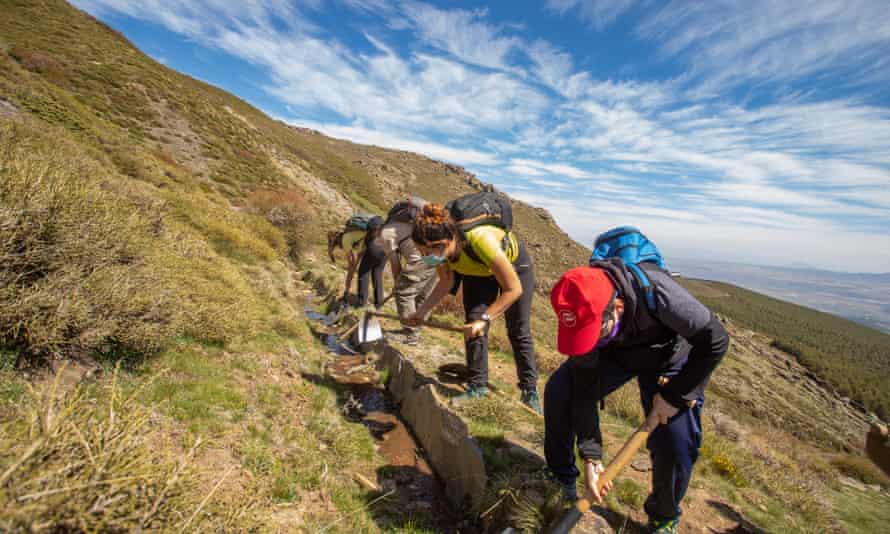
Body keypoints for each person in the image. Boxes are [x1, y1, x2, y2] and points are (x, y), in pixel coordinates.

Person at [544, 260, 729, 534]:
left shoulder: (662, 295)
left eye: (594, 333)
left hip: (671, 356)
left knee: (675, 440)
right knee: (561, 392)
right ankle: (562, 477)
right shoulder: (584, 321)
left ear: (617, 308)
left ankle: (664, 516)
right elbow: (583, 393)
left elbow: (716, 340)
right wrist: (591, 457)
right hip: (618, 352)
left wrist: (676, 396)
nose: (587, 342)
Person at [405, 203, 540, 412]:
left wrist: (486, 319)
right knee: (472, 323)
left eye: (429, 251)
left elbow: (513, 290)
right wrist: (422, 312)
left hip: (514, 269)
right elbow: (445, 283)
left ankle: (530, 391)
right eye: (422, 252)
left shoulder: (480, 240)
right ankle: (477, 387)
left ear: (446, 241)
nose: (427, 256)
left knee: (517, 329)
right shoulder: (441, 252)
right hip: (478, 272)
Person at [376, 198, 438, 346]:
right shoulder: (403, 224)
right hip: (439, 254)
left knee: (404, 293)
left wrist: (398, 286)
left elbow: (395, 264)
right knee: (423, 295)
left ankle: (410, 333)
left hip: (423, 259)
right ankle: (414, 331)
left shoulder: (385, 235)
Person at [327, 215, 386, 308]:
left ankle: (361, 303)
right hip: (385, 245)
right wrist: (354, 267)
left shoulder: (345, 239)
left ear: (337, 242)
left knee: (363, 273)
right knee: (377, 273)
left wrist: (347, 286)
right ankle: (379, 304)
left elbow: (352, 263)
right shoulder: (356, 236)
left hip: (375, 245)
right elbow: (359, 256)